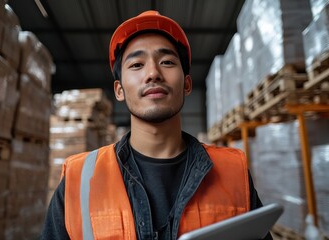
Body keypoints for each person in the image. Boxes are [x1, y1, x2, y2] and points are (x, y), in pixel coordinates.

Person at [41, 10, 272, 240]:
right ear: (119, 90)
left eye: (167, 61)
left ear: (187, 84)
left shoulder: (232, 171)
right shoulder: (78, 179)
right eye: (136, 65)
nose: (153, 73)